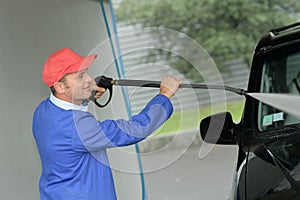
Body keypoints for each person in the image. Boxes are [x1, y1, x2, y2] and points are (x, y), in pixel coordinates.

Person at [32, 47, 182, 200]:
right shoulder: (79, 127)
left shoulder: (42, 111)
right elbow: (135, 129)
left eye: (86, 72)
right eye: (81, 76)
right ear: (60, 87)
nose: (90, 80)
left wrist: (86, 97)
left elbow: (69, 126)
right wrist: (164, 95)